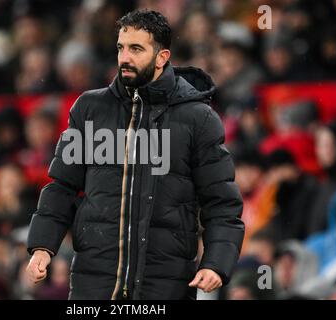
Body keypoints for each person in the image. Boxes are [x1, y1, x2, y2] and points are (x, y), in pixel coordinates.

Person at [26, 9, 245, 300]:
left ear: (162, 57)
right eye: (121, 48)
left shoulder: (199, 119)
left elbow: (222, 203)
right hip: (94, 284)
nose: (124, 57)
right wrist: (43, 246)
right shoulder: (89, 109)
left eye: (136, 49)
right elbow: (62, 187)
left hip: (165, 283)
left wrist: (216, 263)